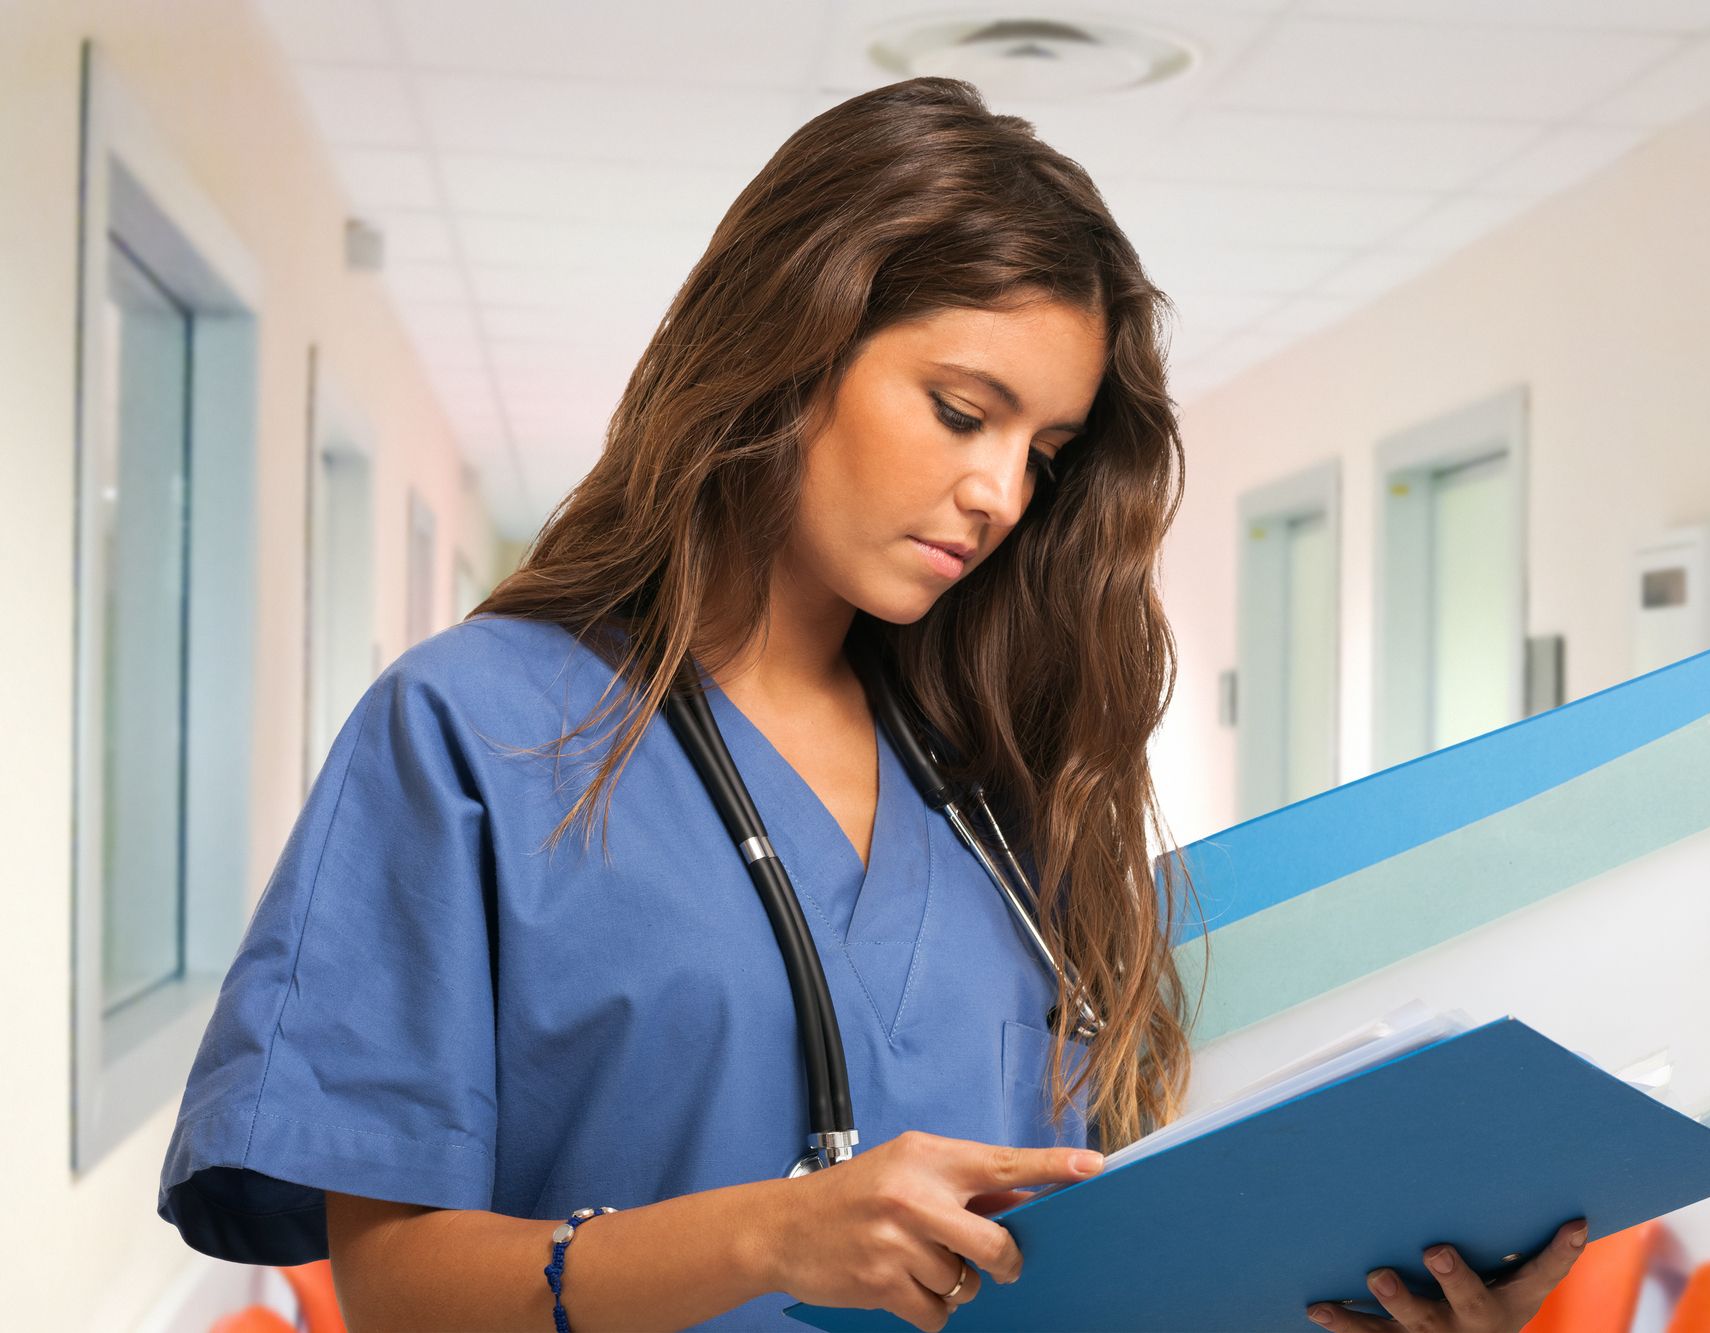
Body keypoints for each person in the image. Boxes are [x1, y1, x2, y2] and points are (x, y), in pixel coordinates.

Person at [157, 77, 1584, 1333]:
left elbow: (1086, 1253)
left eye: (1048, 448)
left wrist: (1362, 1301)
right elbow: (396, 1290)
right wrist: (769, 1233)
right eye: (964, 410)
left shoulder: (1000, 784)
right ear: (794, 343)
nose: (1002, 492)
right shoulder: (476, 732)